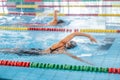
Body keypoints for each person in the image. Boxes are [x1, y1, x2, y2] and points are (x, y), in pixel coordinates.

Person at [0, 32, 97, 65]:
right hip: (39, 52)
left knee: (15, 50)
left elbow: (75, 34)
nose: (68, 41)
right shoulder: (63, 50)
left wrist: (89, 36)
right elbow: (75, 57)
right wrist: (86, 62)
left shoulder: (62, 44)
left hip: (38, 52)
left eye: (70, 42)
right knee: (15, 51)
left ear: (69, 44)